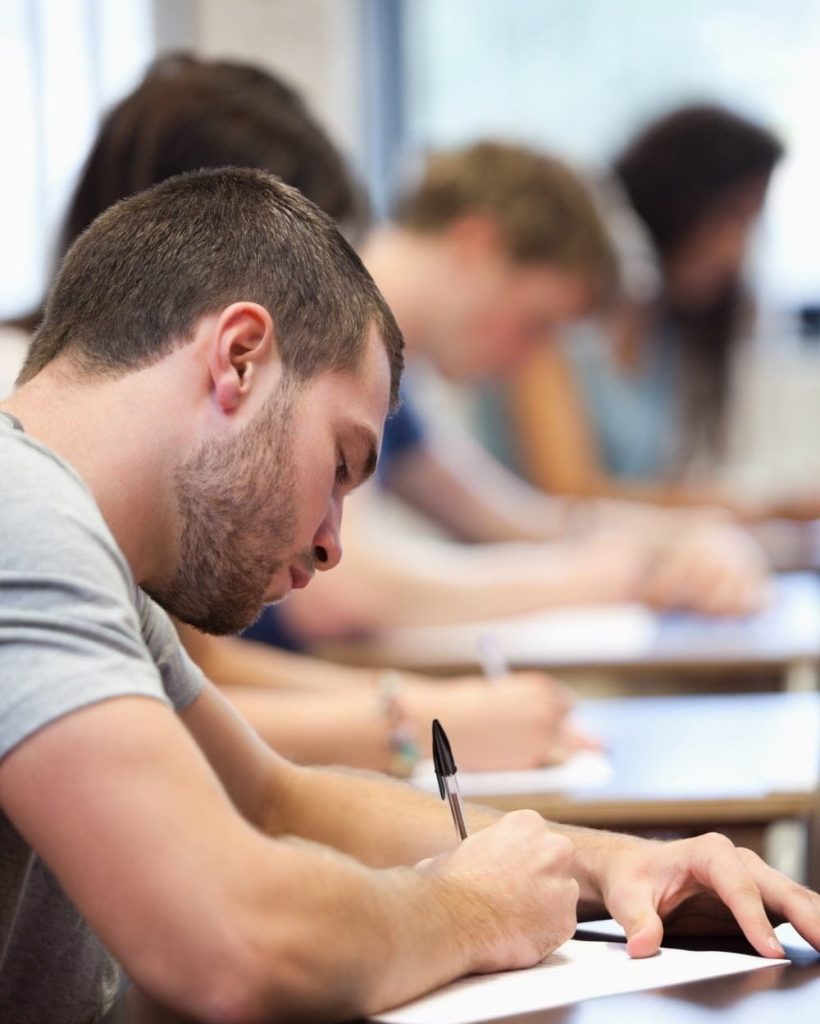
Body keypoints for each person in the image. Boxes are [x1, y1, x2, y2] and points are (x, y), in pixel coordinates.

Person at [1, 166, 817, 1023]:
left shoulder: (91, 553)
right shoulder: (25, 520)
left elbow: (281, 801)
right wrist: (470, 908)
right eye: (340, 464)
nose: (332, 542)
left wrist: (612, 865)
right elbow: (239, 943)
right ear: (240, 358)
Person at [2, 53, 588, 774]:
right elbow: (167, 734)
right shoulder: (39, 447)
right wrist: (420, 722)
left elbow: (197, 691)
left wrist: (422, 712)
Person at [274, 140, 771, 648]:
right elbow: (345, 590)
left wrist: (689, 537)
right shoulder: (327, 331)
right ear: (476, 246)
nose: (525, 361)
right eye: (536, 324)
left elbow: (516, 518)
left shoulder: (389, 373)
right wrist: (584, 582)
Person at [497, 104, 788, 513]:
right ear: (678, 200)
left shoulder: (670, 338)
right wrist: (737, 509)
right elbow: (566, 492)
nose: (737, 253)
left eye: (751, 225)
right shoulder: (552, 317)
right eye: (730, 216)